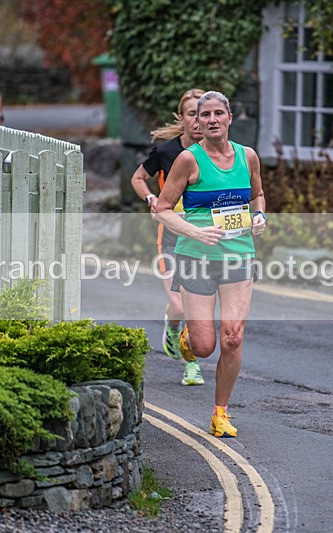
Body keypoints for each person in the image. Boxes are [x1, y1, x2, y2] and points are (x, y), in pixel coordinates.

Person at [154, 91, 266, 438]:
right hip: (196, 258)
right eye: (206, 115)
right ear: (197, 122)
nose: (213, 120)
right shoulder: (189, 160)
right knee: (204, 346)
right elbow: (162, 208)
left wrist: (259, 215)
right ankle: (187, 337)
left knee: (233, 337)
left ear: (230, 118)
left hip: (238, 254)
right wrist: (195, 231)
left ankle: (220, 412)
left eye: (219, 113)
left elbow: (257, 195)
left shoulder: (248, 157)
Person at [130, 88, 206, 386]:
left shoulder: (217, 153)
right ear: (182, 118)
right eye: (192, 114)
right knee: (177, 306)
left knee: (197, 306)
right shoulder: (166, 152)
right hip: (172, 234)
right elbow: (138, 178)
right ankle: (172, 326)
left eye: (202, 114)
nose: (199, 121)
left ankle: (192, 365)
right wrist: (151, 198)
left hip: (204, 236)